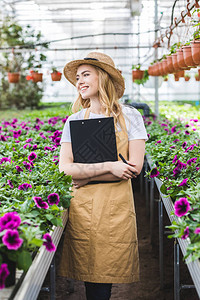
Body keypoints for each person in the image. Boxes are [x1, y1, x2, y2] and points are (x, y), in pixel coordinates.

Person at [59, 52, 148, 300]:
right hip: (85, 208)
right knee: (91, 276)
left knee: (106, 275)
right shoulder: (75, 121)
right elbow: (65, 168)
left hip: (115, 205)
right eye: (78, 77)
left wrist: (86, 177)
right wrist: (109, 166)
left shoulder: (130, 116)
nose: (80, 82)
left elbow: (134, 168)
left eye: (86, 75)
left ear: (104, 77)